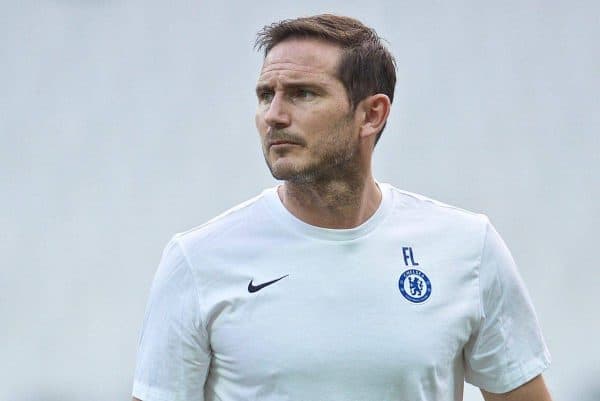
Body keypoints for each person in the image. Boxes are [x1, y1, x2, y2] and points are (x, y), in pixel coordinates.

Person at [132, 14, 552, 401]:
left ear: (372, 114)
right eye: (265, 96)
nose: (274, 116)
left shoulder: (467, 247)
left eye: (303, 94)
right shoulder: (197, 260)